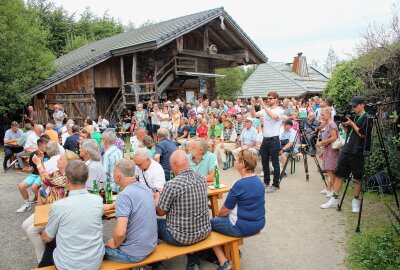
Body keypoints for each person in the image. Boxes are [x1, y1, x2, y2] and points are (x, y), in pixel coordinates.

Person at [40, 160, 104, 269]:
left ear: (66, 180)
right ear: (88, 177)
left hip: (67, 265)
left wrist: (43, 233)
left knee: (50, 242)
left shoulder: (58, 206)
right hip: (94, 262)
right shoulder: (98, 200)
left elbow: (47, 238)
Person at [153, 150, 211, 270]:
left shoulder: (171, 185)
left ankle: (155, 264)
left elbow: (160, 212)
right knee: (188, 224)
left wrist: (157, 198)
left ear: (175, 164)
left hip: (179, 237)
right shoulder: (201, 178)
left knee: (151, 224)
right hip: (204, 231)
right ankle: (193, 261)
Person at [22, 150, 80, 264]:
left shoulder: (66, 177)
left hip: (58, 213)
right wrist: (42, 163)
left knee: (31, 231)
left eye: (61, 159)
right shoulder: (58, 172)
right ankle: (47, 249)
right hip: (49, 208)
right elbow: (46, 180)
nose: (58, 160)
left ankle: (42, 259)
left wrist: (38, 163)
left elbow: (45, 180)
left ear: (67, 164)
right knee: (24, 225)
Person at [211, 150, 266, 269]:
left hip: (241, 226)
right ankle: (229, 251)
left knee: (207, 225)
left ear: (242, 163)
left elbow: (225, 210)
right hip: (259, 223)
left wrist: (217, 218)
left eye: (237, 160)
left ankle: (223, 261)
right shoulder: (259, 181)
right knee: (219, 222)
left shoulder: (239, 184)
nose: (235, 162)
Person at [103, 159, 157, 263]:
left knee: (94, 249)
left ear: (118, 177)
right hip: (150, 246)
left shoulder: (124, 196)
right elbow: (135, 202)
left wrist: (114, 244)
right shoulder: (144, 187)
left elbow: (120, 233)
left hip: (133, 254)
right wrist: (112, 206)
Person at [321, 96, 368, 212]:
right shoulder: (355, 116)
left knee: (357, 177)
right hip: (347, 148)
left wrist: (352, 124)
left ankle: (355, 201)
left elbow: (362, 135)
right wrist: (344, 126)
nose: (353, 108)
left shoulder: (367, 117)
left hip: (358, 151)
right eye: (352, 106)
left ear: (362, 105)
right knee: (339, 174)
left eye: (355, 106)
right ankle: (334, 199)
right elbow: (350, 134)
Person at [250, 93, 284, 192]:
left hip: (274, 139)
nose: (268, 100)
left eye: (270, 98)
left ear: (276, 99)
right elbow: (253, 115)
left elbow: (273, 116)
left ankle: (276, 184)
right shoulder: (265, 110)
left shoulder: (279, 110)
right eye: (267, 98)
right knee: (264, 162)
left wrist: (263, 104)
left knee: (275, 163)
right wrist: (252, 105)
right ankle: (266, 182)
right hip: (265, 139)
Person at [16, 137, 49, 213]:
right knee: (21, 186)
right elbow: (31, 168)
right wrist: (27, 169)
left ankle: (43, 205)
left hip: (43, 174)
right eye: (45, 146)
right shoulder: (33, 154)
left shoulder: (48, 153)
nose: (47, 147)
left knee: (34, 187)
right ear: (39, 146)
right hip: (34, 174)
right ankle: (27, 204)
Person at [317, 108, 340, 197]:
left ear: (328, 115)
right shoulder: (328, 124)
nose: (321, 117)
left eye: (323, 115)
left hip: (331, 150)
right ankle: (329, 188)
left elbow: (334, 137)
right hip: (327, 149)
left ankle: (333, 191)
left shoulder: (331, 124)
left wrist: (322, 143)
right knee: (329, 170)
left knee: (331, 171)